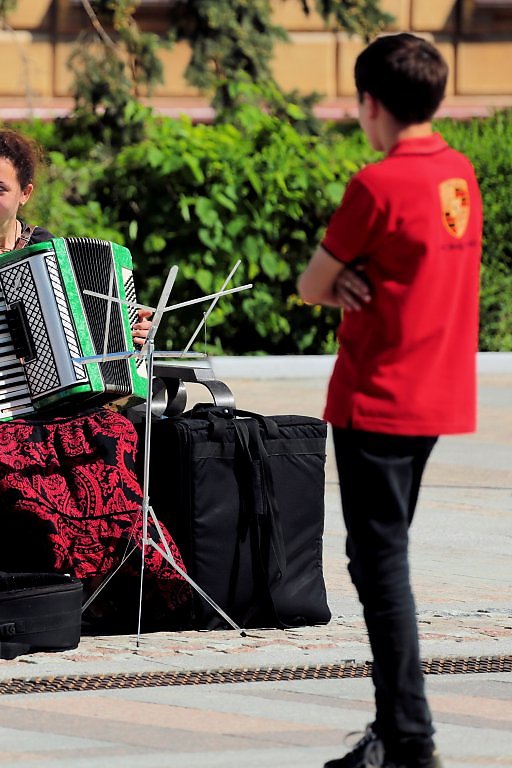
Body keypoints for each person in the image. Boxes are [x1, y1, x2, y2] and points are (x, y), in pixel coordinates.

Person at [0, 127, 191, 629]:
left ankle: (114, 595)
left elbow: (85, 339)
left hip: (46, 398)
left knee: (108, 435)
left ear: (24, 193)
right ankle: (41, 590)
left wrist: (128, 327)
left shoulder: (47, 250)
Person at [297, 34, 482, 768]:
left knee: (380, 567)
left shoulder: (377, 183)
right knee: (383, 557)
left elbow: (314, 282)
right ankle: (394, 733)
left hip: (378, 397)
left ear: (372, 105)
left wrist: (339, 281)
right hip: (438, 394)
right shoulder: (459, 174)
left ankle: (408, 737)